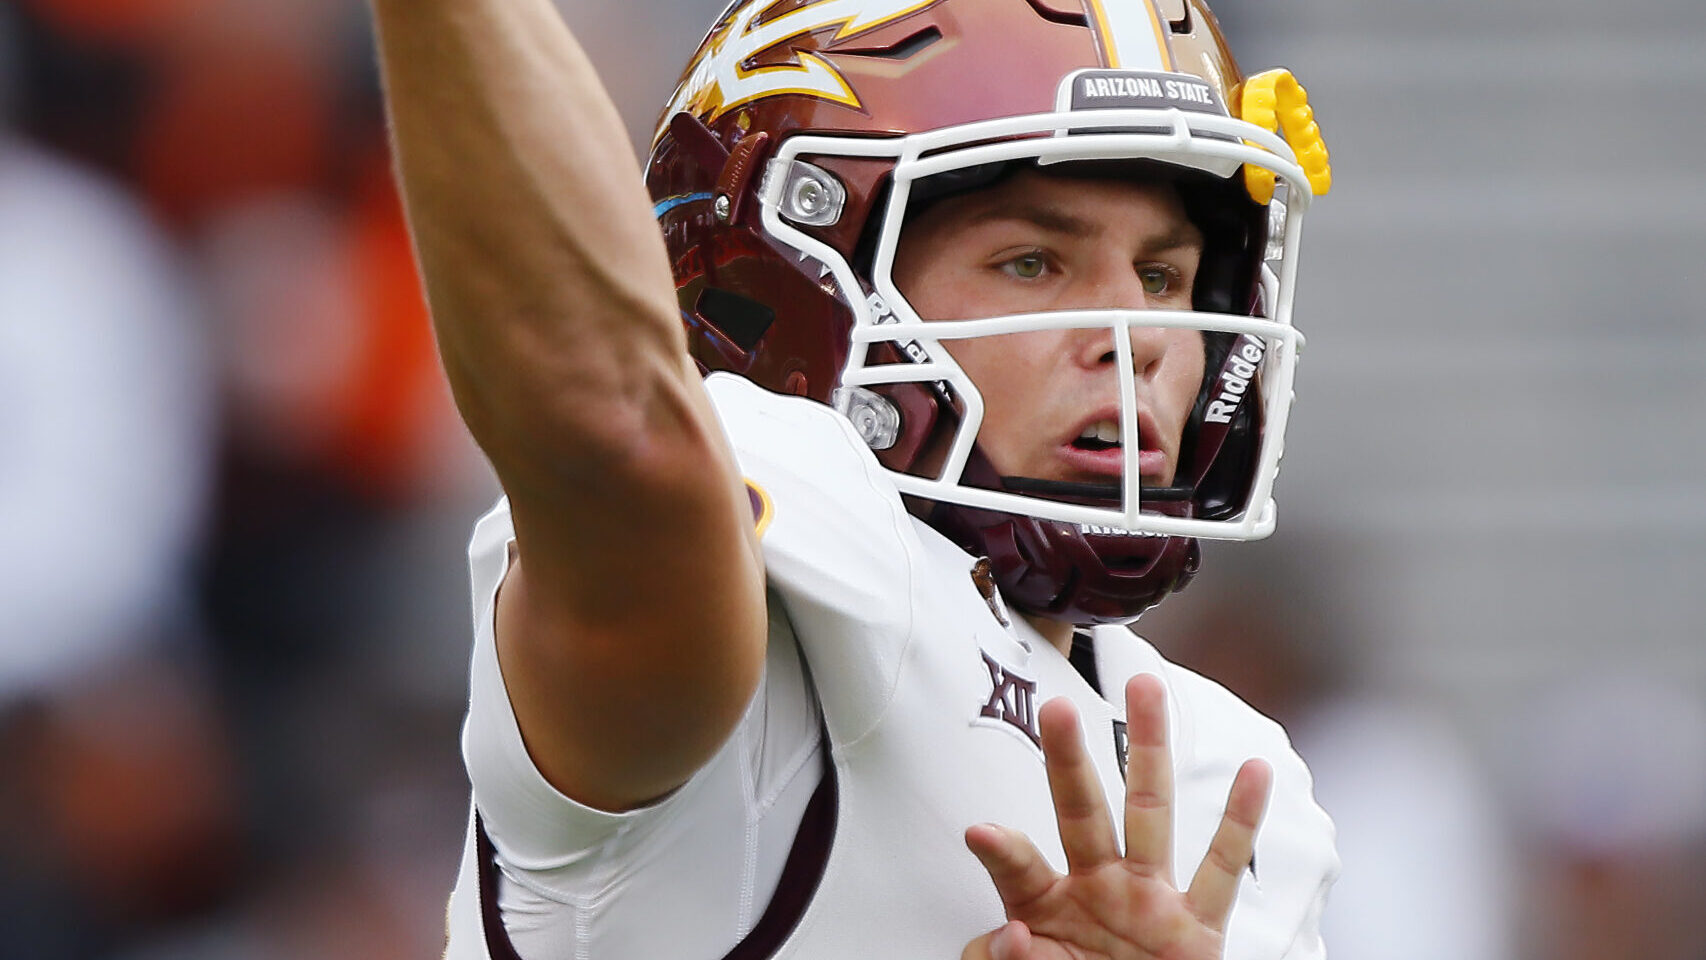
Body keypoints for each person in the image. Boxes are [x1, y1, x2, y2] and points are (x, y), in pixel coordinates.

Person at [368, 0, 1338, 957]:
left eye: (1162, 277)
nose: (1135, 340)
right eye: (1032, 261)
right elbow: (610, 429)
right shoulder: (796, 574)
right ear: (794, 286)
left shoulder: (1242, 780)